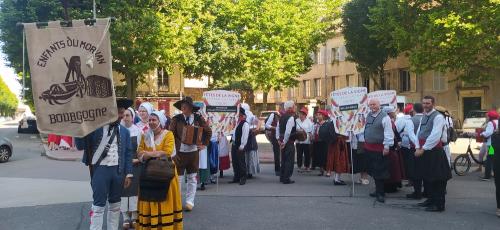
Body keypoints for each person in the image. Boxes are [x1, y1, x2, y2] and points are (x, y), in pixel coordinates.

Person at [76, 99, 134, 230]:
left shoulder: (125, 132)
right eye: (119, 113)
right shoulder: (95, 128)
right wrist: (79, 128)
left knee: (115, 206)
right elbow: (80, 146)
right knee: (98, 206)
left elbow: (128, 153)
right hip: (100, 170)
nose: (121, 116)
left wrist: (129, 174)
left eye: (123, 113)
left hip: (118, 172)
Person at [137, 111, 183, 229]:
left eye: (154, 120)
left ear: (160, 122)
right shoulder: (145, 135)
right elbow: (139, 153)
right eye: (150, 120)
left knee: (164, 199)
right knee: (149, 198)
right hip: (149, 173)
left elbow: (166, 152)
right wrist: (153, 154)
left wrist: (148, 154)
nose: (151, 122)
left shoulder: (168, 134)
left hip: (165, 172)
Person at [169, 96, 212, 211]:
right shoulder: (176, 119)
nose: (183, 107)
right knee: (178, 179)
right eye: (182, 105)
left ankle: (189, 202)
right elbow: (170, 135)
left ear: (191, 108)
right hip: (179, 153)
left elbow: (208, 131)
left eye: (186, 105)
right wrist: (173, 152)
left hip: (193, 153)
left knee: (192, 178)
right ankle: (177, 202)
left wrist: (204, 144)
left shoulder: (198, 118)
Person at [415, 96, 452, 212]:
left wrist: (423, 148)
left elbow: (435, 135)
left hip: (434, 151)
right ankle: (431, 200)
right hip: (425, 150)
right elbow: (419, 132)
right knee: (428, 177)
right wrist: (417, 146)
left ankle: (439, 204)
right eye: (424, 103)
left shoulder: (438, 117)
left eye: (428, 103)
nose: (425, 105)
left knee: (437, 178)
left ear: (433, 103)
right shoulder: (425, 116)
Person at [364, 99, 394, 203]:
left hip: (379, 149)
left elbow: (388, 132)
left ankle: (381, 193)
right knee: (373, 170)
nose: (372, 106)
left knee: (380, 171)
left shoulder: (384, 117)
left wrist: (386, 147)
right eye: (370, 104)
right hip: (369, 148)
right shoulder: (368, 115)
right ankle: (377, 190)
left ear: (379, 105)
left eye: (374, 104)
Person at [120, 108, 142, 229]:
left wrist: (137, 159)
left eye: (127, 115)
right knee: (123, 191)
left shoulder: (137, 131)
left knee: (134, 191)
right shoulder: (118, 130)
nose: (125, 117)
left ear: (132, 117)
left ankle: (134, 216)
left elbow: (140, 149)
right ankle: (125, 217)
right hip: (121, 165)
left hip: (134, 164)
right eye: (123, 115)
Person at [403, 103, 425, 199]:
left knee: (416, 170)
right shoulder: (427, 119)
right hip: (426, 147)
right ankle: (426, 191)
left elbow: (410, 135)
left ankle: (417, 192)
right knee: (425, 169)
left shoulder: (410, 121)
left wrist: (416, 145)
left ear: (414, 110)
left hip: (415, 148)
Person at [383, 106, 405, 193]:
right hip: (389, 148)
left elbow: (395, 132)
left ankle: (394, 185)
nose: (394, 113)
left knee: (395, 168)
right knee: (390, 168)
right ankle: (389, 186)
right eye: (393, 112)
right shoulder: (386, 121)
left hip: (394, 148)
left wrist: (399, 141)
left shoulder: (391, 121)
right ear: (389, 113)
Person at [276, 101, 297, 184]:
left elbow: (277, 128)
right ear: (290, 108)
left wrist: (278, 139)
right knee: (289, 160)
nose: (295, 108)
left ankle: (282, 177)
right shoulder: (290, 118)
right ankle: (286, 178)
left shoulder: (281, 117)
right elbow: (288, 132)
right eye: (294, 106)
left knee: (283, 159)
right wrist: (284, 141)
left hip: (281, 140)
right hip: (288, 142)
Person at [230, 107, 250, 185]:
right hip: (234, 144)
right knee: (235, 162)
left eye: (238, 114)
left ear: (241, 114)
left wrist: (242, 145)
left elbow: (244, 136)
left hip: (239, 145)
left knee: (241, 162)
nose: (237, 115)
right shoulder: (237, 122)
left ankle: (243, 177)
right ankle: (236, 177)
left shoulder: (245, 124)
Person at [241, 103, 260, 178]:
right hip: (251, 137)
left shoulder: (247, 115)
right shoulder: (252, 115)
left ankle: (246, 171)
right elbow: (258, 124)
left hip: (247, 136)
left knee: (246, 155)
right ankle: (250, 172)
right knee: (250, 155)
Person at [480, 110, 499, 181]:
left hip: (491, 145)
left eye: (487, 116)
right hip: (496, 144)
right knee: (494, 159)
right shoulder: (497, 122)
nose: (486, 117)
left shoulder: (491, 123)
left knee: (489, 159)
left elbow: (488, 133)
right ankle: (494, 173)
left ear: (490, 117)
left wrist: (481, 134)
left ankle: (487, 176)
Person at [295, 107, 313, 171]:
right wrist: (298, 130)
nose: (301, 115)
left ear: (305, 115)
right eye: (300, 114)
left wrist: (310, 136)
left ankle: (307, 166)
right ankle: (299, 166)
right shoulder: (296, 120)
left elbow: (311, 130)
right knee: (299, 154)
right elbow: (294, 129)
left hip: (306, 140)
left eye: (302, 114)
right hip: (298, 140)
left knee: (307, 154)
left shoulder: (309, 121)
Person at [312, 110, 329, 176]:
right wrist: (312, 136)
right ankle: (321, 170)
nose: (318, 116)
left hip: (324, 142)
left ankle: (328, 171)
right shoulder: (316, 124)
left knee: (325, 156)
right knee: (319, 156)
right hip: (317, 142)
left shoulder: (327, 124)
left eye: (319, 115)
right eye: (317, 115)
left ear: (324, 116)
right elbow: (314, 132)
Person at [265, 111, 281, 176]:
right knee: (277, 154)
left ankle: (283, 168)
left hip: (284, 136)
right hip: (275, 136)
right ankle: (277, 170)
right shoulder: (273, 115)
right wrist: (275, 128)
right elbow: (267, 125)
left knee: (283, 154)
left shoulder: (286, 115)